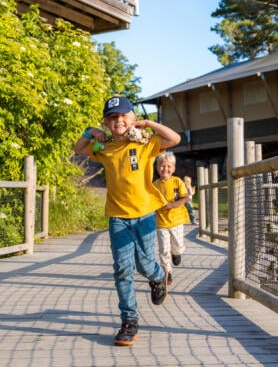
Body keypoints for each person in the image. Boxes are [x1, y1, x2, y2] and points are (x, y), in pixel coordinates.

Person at [74, 95, 181, 347]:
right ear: (106, 122)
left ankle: (158, 276)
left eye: (123, 116)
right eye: (112, 118)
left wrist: (146, 124)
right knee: (122, 269)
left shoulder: (145, 143)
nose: (118, 121)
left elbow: (174, 139)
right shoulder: (104, 147)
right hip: (117, 218)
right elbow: (79, 149)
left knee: (144, 264)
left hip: (144, 215)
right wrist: (91, 131)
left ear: (131, 118)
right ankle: (129, 321)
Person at [154, 152, 191, 285]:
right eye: (162, 166)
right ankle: (167, 272)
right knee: (164, 249)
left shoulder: (177, 181)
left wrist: (173, 205)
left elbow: (186, 197)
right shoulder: (155, 185)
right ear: (157, 168)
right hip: (161, 222)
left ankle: (176, 253)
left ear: (173, 168)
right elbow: (151, 200)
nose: (165, 168)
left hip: (176, 221)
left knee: (177, 246)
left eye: (169, 166)